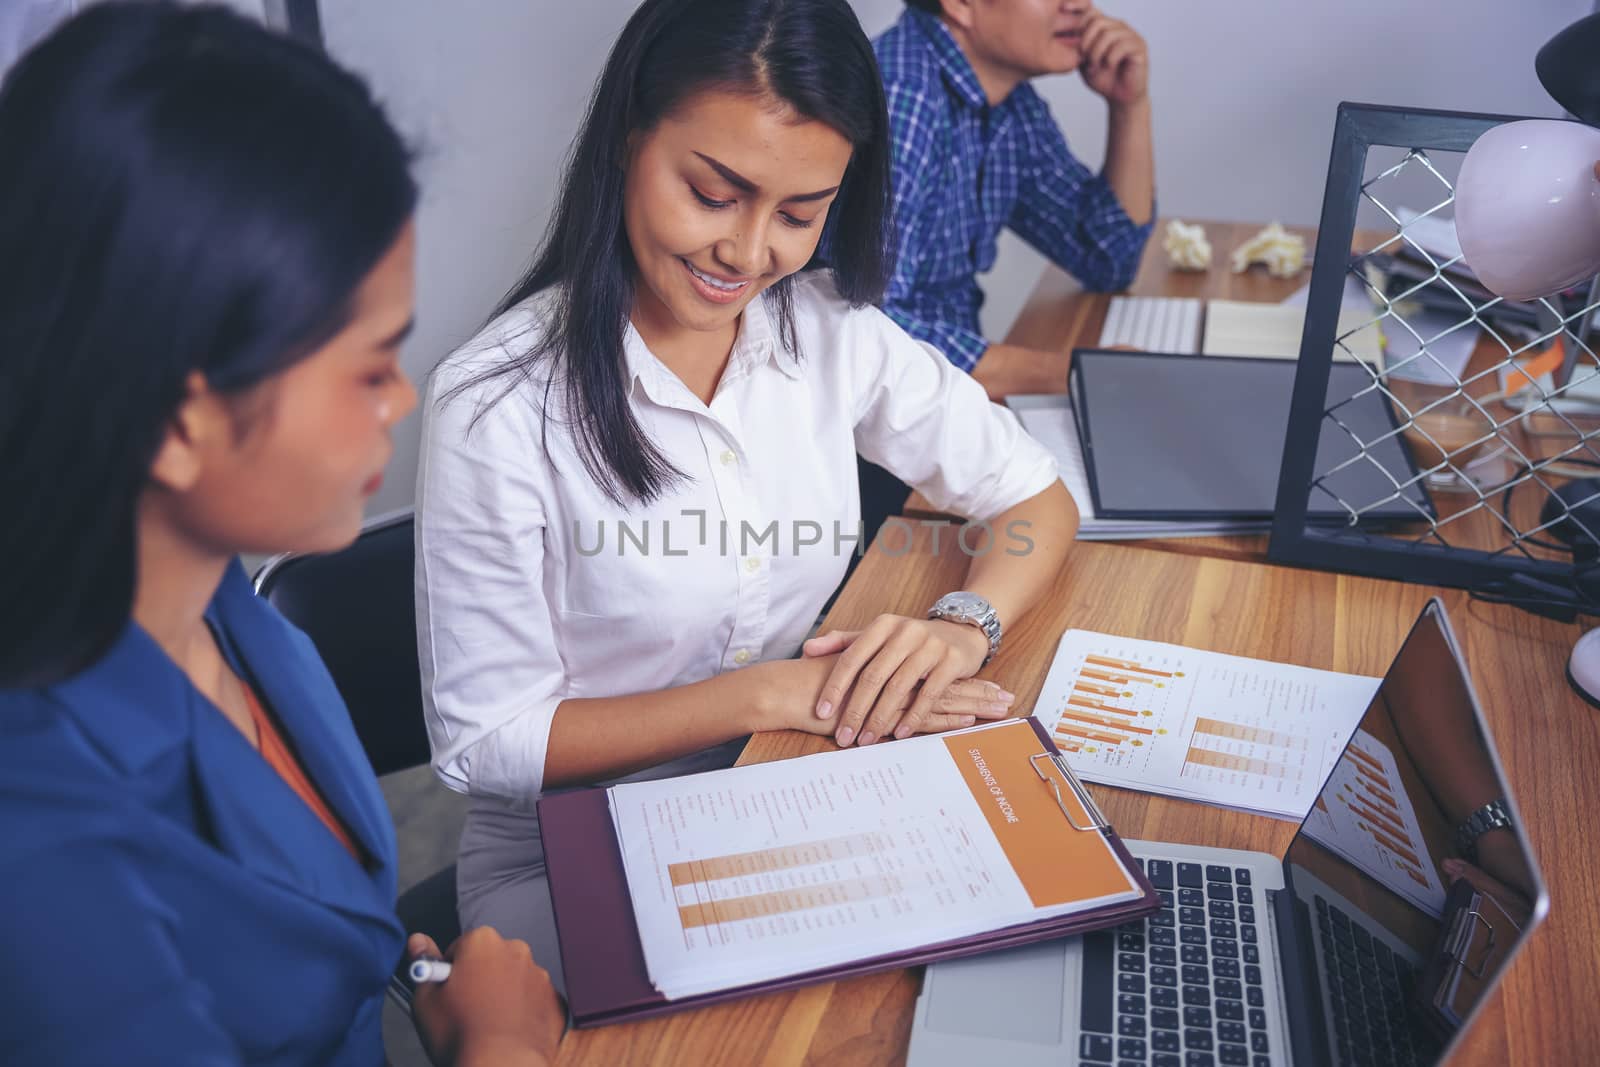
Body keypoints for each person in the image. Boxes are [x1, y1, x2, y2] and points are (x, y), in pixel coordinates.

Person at [414, 0, 1079, 993]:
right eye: (714, 193)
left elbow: (1033, 493)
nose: (750, 253)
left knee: (1025, 936)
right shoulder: (497, 402)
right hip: (576, 841)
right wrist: (772, 692)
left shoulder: (824, 327)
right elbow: (485, 741)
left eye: (800, 214)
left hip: (787, 774)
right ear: (629, 139)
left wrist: (961, 624)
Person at [0, 6, 561, 1064]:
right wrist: (498, 1048)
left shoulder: (209, 592)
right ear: (178, 416)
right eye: (367, 365)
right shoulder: (39, 859)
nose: (401, 398)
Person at [875, 0, 1156, 399]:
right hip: (879, 432)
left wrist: (1128, 105)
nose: (1079, 5)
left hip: (945, 407)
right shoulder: (903, 102)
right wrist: (1070, 372)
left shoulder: (1009, 102)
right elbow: (865, 332)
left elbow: (1108, 259)